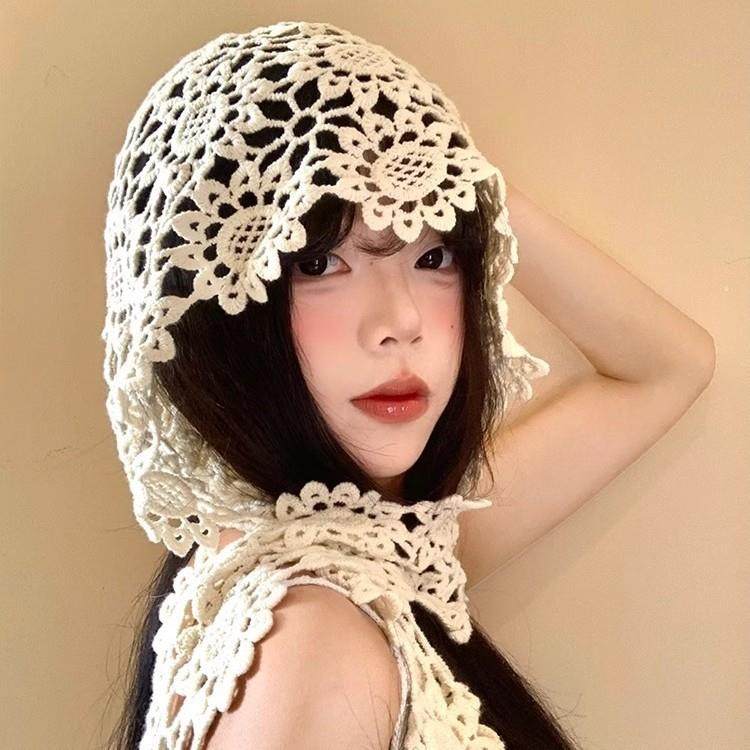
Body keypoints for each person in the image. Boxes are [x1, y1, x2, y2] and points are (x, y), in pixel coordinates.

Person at [101, 20, 715, 750]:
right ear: (216, 311)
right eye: (320, 264)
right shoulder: (311, 641)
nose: (400, 323)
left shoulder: (369, 545)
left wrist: (459, 178)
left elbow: (668, 367)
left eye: (434, 257)